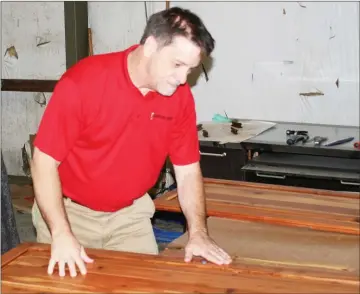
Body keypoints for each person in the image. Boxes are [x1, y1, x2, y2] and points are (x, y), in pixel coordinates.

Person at [30, 6, 232, 278]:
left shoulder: (179, 98)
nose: (183, 78)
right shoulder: (83, 83)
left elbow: (187, 172)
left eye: (191, 69)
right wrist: (61, 233)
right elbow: (43, 162)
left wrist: (198, 233)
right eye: (177, 64)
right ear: (150, 46)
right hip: (69, 215)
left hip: (131, 217)